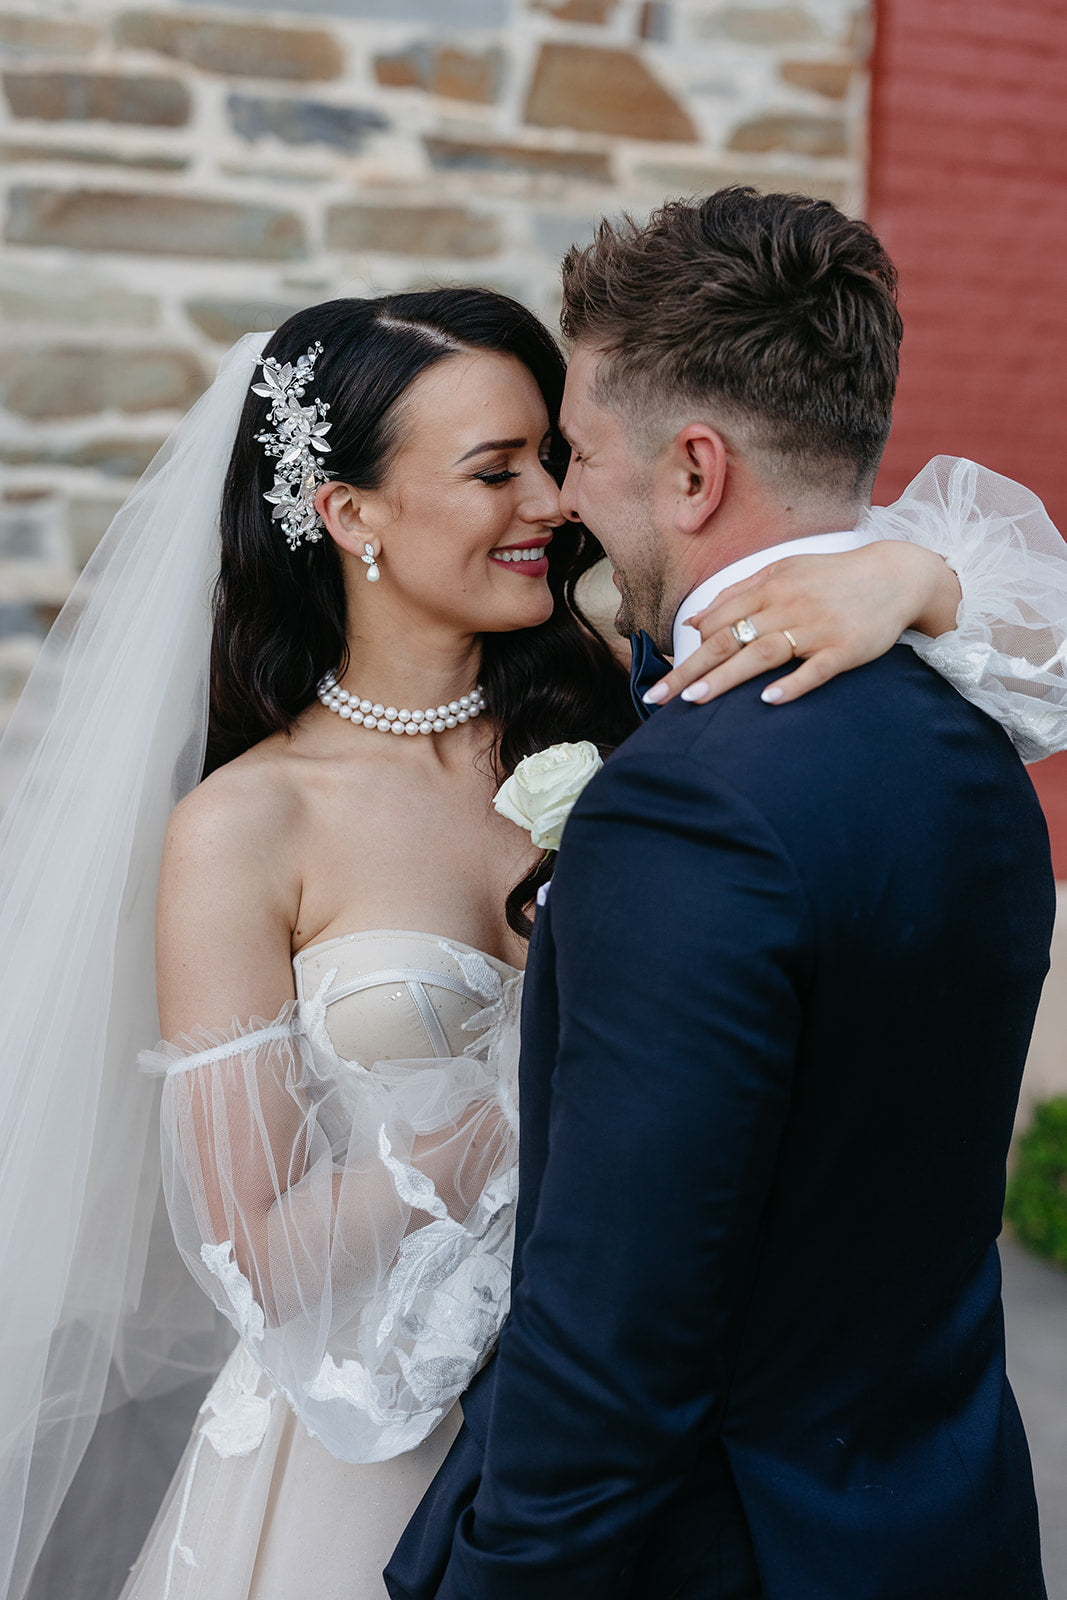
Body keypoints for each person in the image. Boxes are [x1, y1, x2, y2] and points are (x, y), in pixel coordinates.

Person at [0, 276, 1062, 1600]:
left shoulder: (637, 711)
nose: (554, 505)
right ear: (349, 513)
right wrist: (530, 1101)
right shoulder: (243, 825)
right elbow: (256, 1256)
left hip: (641, 1445)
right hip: (370, 1452)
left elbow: (1036, 636)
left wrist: (904, 579)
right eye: (498, 472)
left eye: (555, 461)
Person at [385, 192, 1064, 1599]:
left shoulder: (690, 804)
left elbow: (614, 1341)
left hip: (727, 1557)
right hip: (944, 1524)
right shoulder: (979, 743)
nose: (562, 500)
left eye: (576, 451)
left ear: (693, 472)